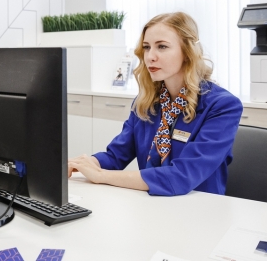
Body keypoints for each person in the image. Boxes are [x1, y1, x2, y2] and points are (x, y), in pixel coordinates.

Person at [68, 12, 243, 196]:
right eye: (146, 47)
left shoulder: (223, 106)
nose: (150, 56)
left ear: (187, 52)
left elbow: (181, 177)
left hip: (199, 207)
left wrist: (101, 175)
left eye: (162, 46)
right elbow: (115, 156)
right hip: (151, 205)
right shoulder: (146, 102)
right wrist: (84, 163)